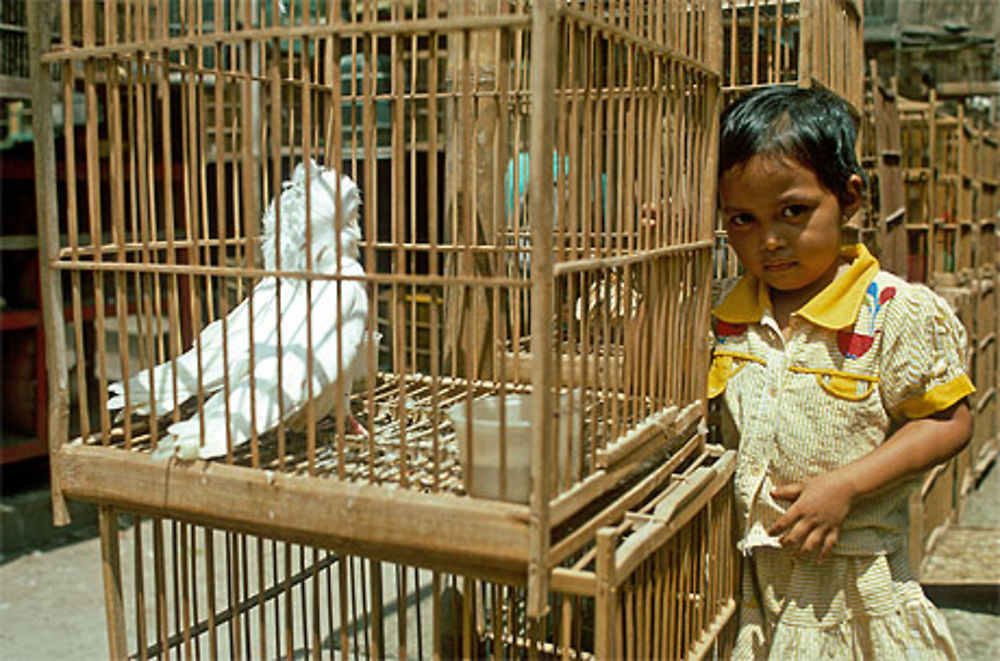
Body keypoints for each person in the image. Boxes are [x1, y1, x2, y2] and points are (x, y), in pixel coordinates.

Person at [709, 85, 974, 659]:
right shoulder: (731, 315)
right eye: (743, 220)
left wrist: (845, 486)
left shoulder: (891, 311)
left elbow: (950, 421)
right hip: (752, 583)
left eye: (793, 212)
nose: (770, 240)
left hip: (854, 584)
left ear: (849, 199)